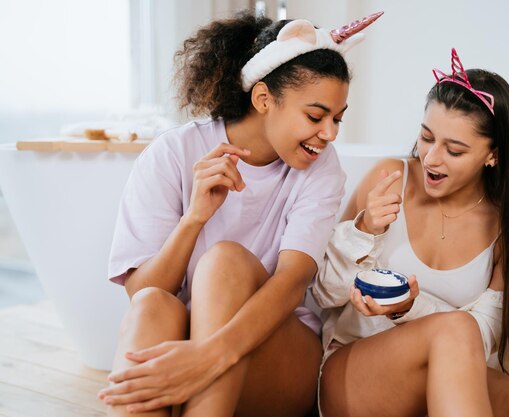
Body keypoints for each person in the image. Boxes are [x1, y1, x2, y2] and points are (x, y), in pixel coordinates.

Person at [97, 10, 383, 417]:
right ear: (264, 98)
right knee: (152, 307)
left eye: (337, 119)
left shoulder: (322, 168)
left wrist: (209, 355)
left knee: (224, 262)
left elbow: (291, 282)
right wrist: (194, 218)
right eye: (316, 116)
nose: (331, 133)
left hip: (276, 352)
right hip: (191, 341)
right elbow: (143, 289)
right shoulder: (172, 153)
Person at [312, 48, 509, 417]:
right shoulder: (390, 181)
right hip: (355, 370)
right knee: (456, 328)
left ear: (494, 155)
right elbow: (323, 292)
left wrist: (410, 308)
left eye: (454, 150)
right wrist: (364, 229)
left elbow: (483, 336)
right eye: (426, 137)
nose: (431, 158)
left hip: (446, 373)